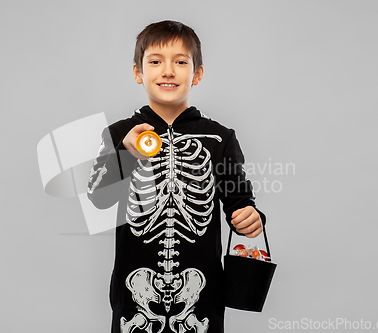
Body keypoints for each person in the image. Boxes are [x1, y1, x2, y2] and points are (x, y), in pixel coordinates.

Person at [87, 20, 266, 333]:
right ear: (137, 72)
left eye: (180, 62)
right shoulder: (118, 134)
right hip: (135, 297)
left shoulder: (219, 138)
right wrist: (127, 156)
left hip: (202, 295)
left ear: (196, 74)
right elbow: (98, 198)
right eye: (155, 61)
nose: (167, 71)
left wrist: (249, 214)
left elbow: (239, 200)